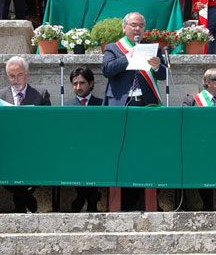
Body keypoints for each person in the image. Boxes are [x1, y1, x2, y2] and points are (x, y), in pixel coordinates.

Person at [0, 56, 50, 212]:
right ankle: (24, 196)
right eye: (12, 76)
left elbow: (48, 123)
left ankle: (20, 197)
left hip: (34, 145)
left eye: (19, 75)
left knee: (44, 156)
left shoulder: (41, 94)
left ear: (27, 74)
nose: (16, 80)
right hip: (7, 146)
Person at [182, 68, 216, 210]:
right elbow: (187, 126)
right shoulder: (191, 101)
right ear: (208, 82)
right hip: (201, 147)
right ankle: (206, 204)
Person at [101, 12, 166, 106]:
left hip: (146, 101)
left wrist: (157, 67)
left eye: (141, 26)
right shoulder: (113, 48)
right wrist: (128, 57)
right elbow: (107, 70)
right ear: (124, 28)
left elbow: (163, 75)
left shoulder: (152, 48)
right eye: (133, 25)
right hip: (120, 101)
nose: (137, 29)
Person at [64, 67, 102, 212]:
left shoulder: (102, 104)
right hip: (75, 151)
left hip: (96, 150)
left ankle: (84, 197)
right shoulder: (67, 106)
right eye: (75, 84)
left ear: (91, 83)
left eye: (82, 83)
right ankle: (89, 196)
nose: (78, 87)